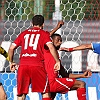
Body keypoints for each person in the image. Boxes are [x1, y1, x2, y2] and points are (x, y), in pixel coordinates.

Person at [8, 15, 60, 100]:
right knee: (45, 92)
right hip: (37, 65)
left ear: (32, 23)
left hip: (23, 66)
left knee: (21, 94)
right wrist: (57, 61)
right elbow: (51, 47)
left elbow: (11, 48)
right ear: (43, 25)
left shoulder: (24, 33)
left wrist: (11, 62)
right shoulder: (43, 34)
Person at [44, 33, 92, 100]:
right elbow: (46, 37)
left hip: (45, 83)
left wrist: (82, 75)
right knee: (81, 84)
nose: (60, 42)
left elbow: (65, 75)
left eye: (61, 40)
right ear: (51, 41)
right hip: (52, 82)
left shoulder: (57, 59)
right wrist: (57, 27)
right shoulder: (47, 50)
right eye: (58, 40)